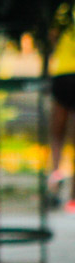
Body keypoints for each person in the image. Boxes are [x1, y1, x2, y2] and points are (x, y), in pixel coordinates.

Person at [48, 25, 75, 211]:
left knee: (57, 136)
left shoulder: (63, 18)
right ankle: (72, 196)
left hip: (62, 76)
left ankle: (54, 181)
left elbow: (52, 36)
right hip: (66, 75)